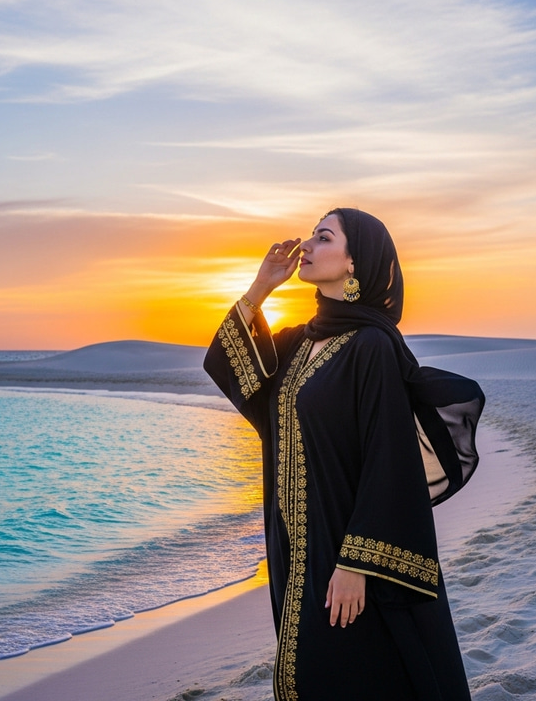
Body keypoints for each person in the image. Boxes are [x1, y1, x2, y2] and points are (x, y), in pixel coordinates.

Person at [203, 208, 484, 701]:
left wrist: (356, 565)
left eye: (324, 237)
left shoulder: (372, 346)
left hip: (348, 556)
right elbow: (237, 376)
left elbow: (388, 459)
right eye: (311, 235)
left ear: (354, 263)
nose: (306, 246)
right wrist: (259, 289)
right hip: (296, 548)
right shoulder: (298, 342)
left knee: (358, 672)